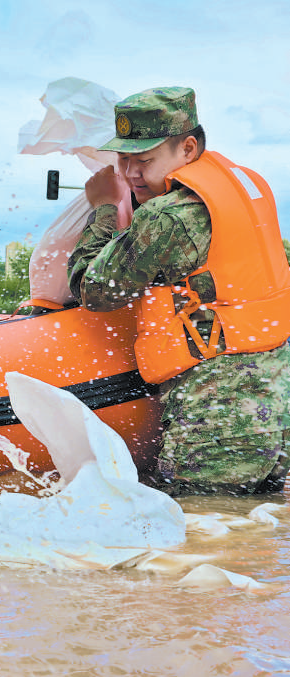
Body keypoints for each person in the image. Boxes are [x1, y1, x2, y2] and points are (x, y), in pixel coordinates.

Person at [67, 86, 290, 496]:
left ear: (187, 148)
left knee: (199, 538)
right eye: (123, 159)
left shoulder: (169, 216)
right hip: (274, 413)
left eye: (144, 160)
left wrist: (102, 207)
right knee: (245, 538)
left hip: (217, 416)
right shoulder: (248, 191)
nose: (131, 173)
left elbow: (92, 289)